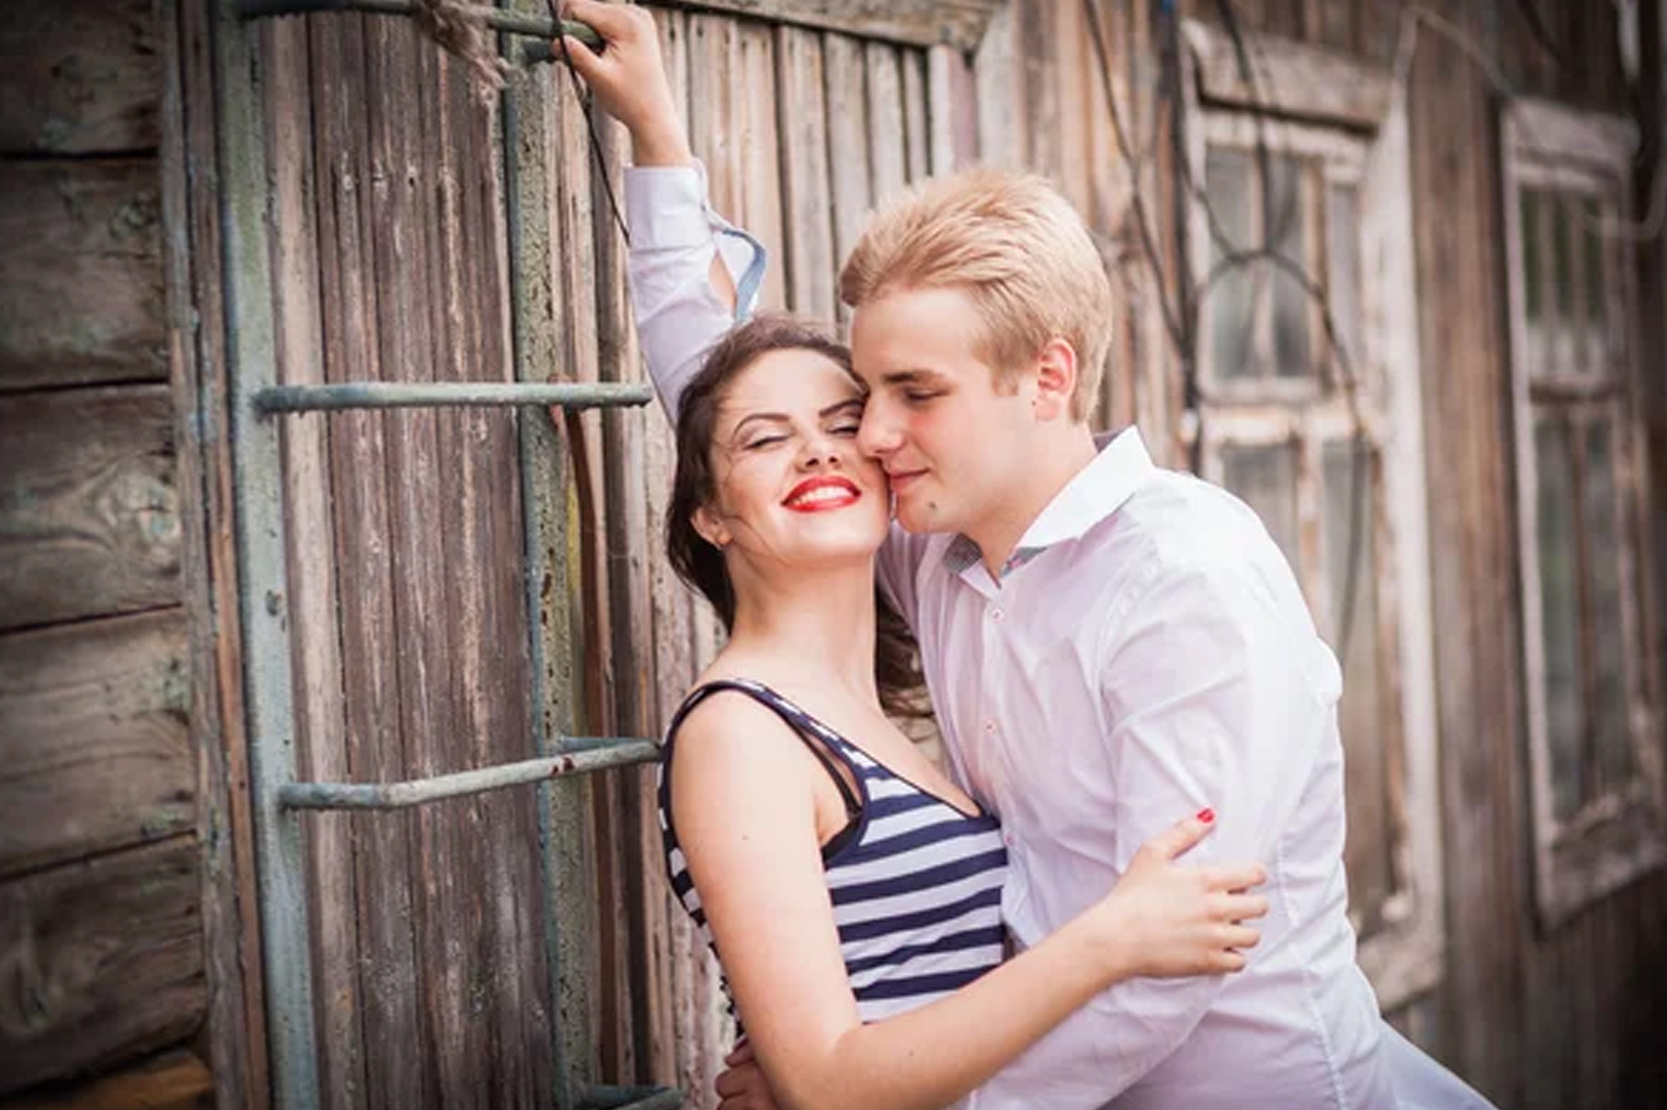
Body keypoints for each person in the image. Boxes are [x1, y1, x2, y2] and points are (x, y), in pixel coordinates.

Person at [560, 3, 1496, 1108]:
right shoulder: (937, 553)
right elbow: (733, 418)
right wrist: (659, 139)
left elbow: (1168, 971)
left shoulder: (1182, 585)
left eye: (914, 394)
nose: (869, 436)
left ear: (1045, 379)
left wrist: (896, 1099)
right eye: (870, 395)